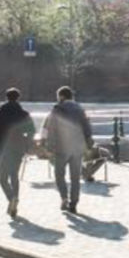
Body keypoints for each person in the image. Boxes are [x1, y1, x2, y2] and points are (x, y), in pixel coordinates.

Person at [41, 86, 93, 214]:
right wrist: (88, 143)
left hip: (61, 147)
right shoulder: (80, 109)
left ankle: (64, 197)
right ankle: (74, 203)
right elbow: (87, 128)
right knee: (75, 177)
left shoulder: (57, 109)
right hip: (77, 147)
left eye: (58, 96)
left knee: (59, 175)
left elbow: (51, 129)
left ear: (62, 96)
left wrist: (49, 147)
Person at [0, 87, 35, 218]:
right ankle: (15, 199)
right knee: (14, 175)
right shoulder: (23, 114)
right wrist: (26, 143)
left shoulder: (0, 113)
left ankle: (11, 198)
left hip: (4, 147)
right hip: (18, 147)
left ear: (6, 97)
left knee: (2, 178)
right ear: (18, 98)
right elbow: (31, 131)